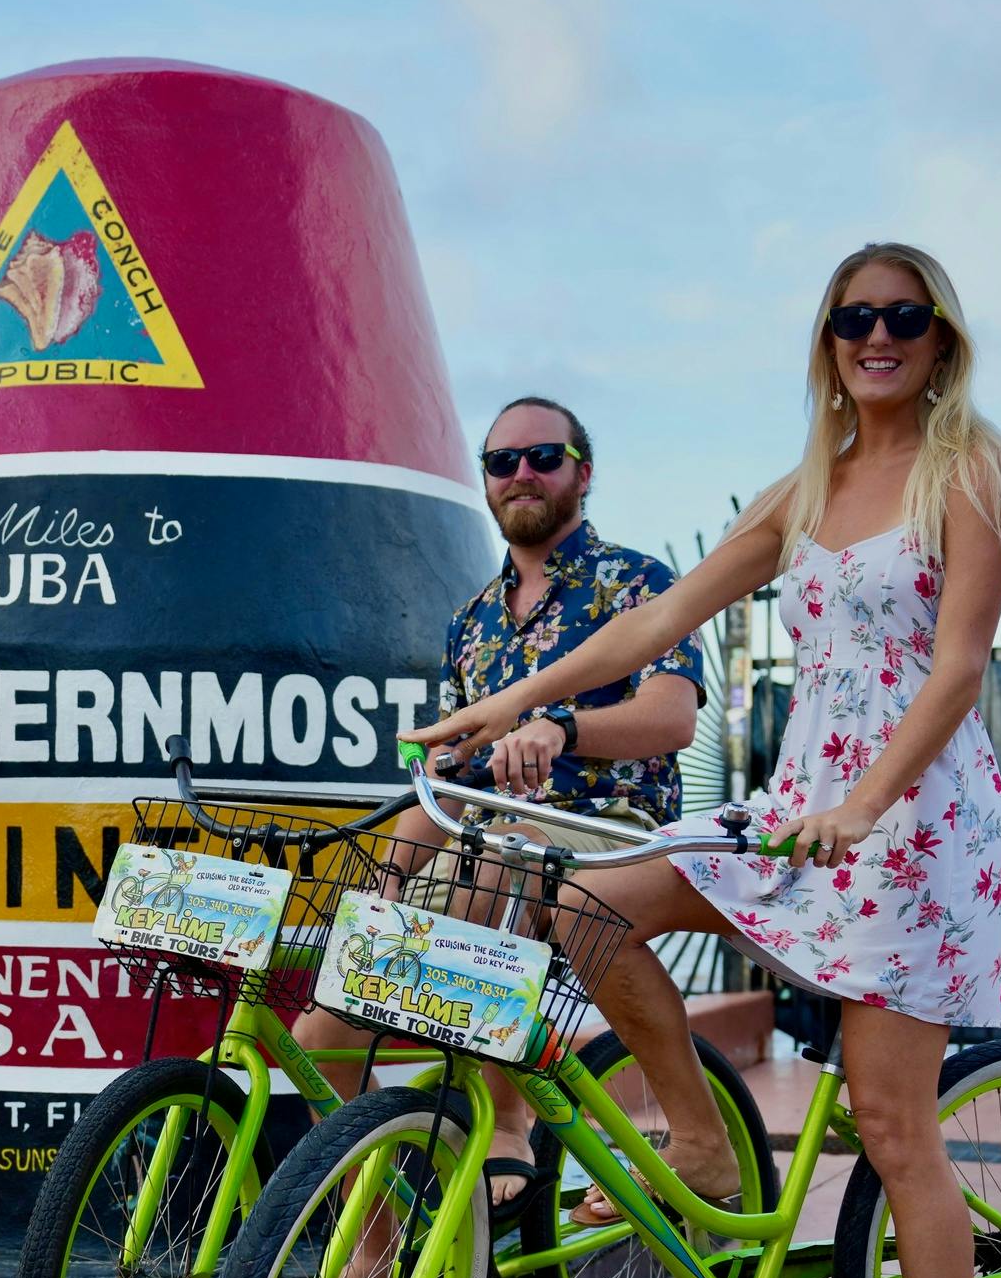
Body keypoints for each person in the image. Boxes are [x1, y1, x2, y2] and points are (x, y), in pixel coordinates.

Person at [405, 242, 1001, 1278]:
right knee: (580, 901)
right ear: (829, 338)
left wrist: (868, 804)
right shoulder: (802, 490)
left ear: (939, 336)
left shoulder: (974, 468)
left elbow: (958, 665)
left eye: (902, 317)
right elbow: (662, 616)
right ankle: (699, 1140)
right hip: (794, 802)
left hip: (914, 823)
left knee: (893, 1124)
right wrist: (512, 702)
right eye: (855, 317)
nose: (878, 336)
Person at [294, 395, 704, 1216]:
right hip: (489, 844)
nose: (521, 473)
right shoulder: (471, 624)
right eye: (500, 461)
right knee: (318, 1038)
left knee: (496, 856)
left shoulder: (635, 582)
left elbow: (674, 714)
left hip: (603, 834)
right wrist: (386, 875)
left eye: (542, 457)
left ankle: (505, 1121)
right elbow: (449, 782)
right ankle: (370, 1257)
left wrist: (563, 727)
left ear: (581, 473)